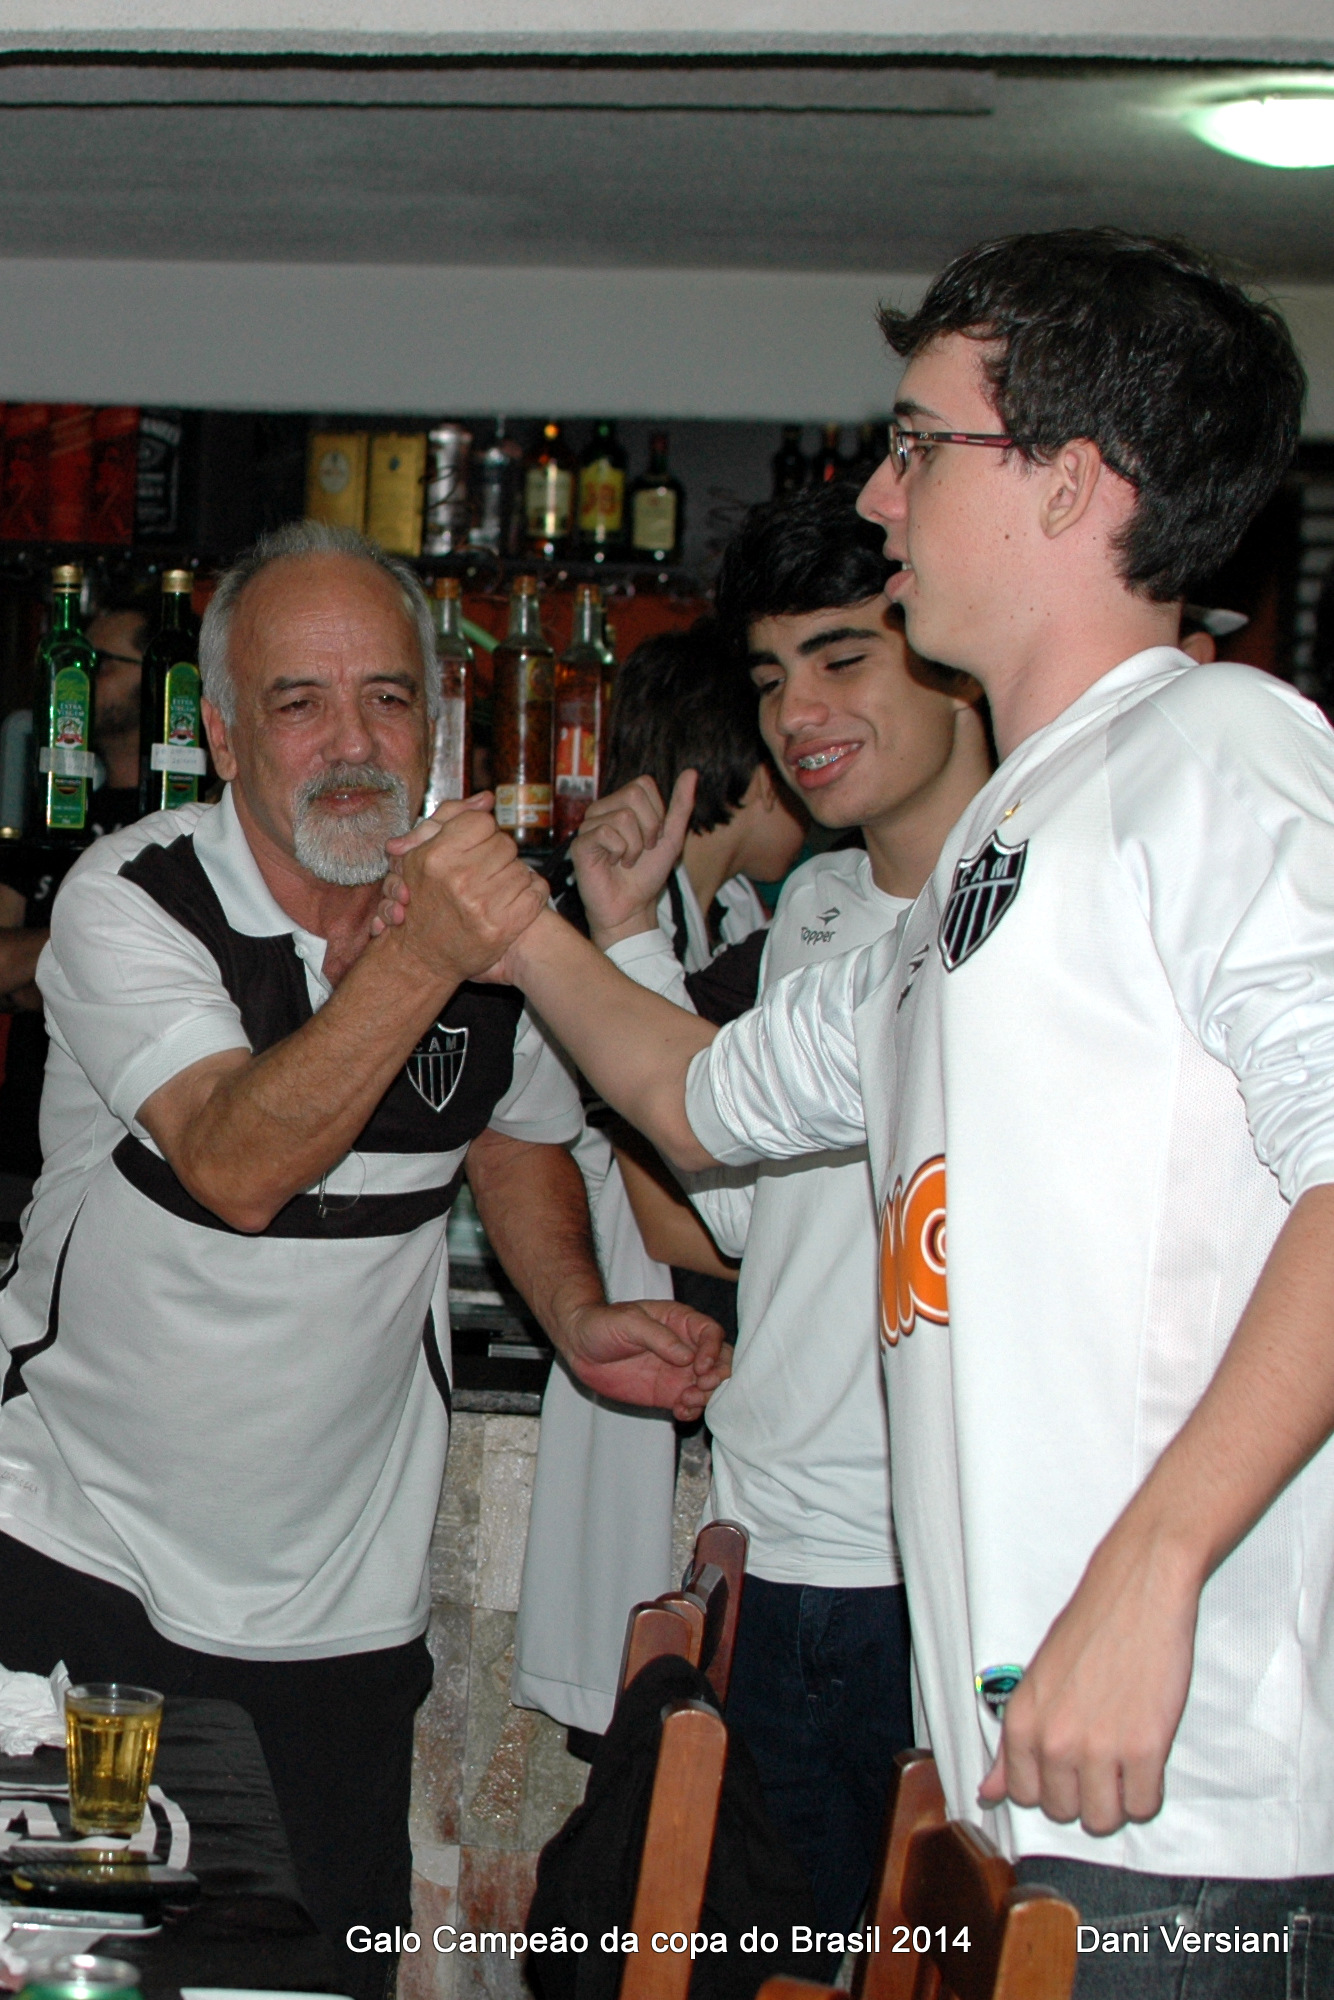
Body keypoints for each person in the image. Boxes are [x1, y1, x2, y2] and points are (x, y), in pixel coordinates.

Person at [381, 229, 1333, 1994]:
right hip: (1008, 1805)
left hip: (1187, 1824)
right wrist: (520, 931)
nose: (882, 500)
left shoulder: (1218, 753)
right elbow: (695, 1098)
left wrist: (1151, 1570)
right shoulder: (982, 857)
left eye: (916, 445)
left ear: (1067, 482)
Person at [0, 521, 723, 2000]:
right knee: (82, 1976)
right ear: (222, 733)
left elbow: (515, 1136)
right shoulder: (136, 899)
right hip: (82, 1557)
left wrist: (575, 1308)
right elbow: (236, 1162)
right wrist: (421, 958)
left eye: (387, 698)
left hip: (342, 1599)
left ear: (435, 724)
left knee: (317, 1981)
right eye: (299, 702)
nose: (351, 743)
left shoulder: (487, 923)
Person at [567, 482, 992, 1938]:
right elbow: (746, 1220)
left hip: (923, 1579)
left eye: (841, 657)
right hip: (764, 1545)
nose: (796, 712)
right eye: (768, 677)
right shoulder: (811, 905)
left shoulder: (1017, 911)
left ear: (950, 655)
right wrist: (627, 936)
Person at [512, 619, 803, 1740]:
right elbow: (616, 1165)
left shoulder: (741, 921)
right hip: (636, 1293)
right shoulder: (613, 922)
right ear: (745, 772)